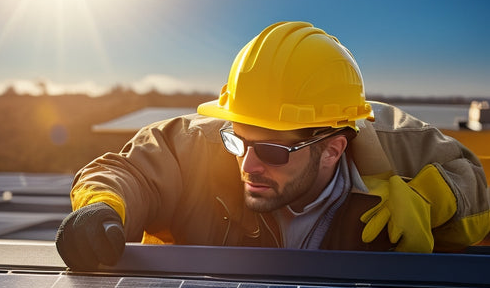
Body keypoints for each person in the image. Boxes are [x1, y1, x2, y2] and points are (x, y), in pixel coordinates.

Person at [56, 21, 490, 270]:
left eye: (272, 152)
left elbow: (473, 184)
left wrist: (432, 201)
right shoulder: (196, 144)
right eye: (238, 141)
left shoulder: (401, 145)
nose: (247, 164)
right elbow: (131, 171)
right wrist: (103, 206)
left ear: (333, 149)